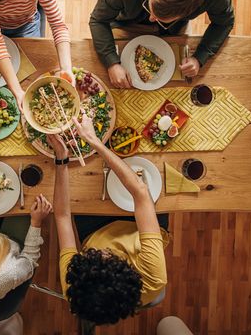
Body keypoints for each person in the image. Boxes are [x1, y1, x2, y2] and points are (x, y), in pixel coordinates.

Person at [47, 114, 169, 326]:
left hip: (95, 229)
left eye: (91, 255)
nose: (102, 250)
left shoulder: (75, 281)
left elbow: (62, 216)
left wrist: (61, 158)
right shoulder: (153, 277)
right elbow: (140, 193)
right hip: (140, 233)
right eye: (108, 256)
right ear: (129, 271)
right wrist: (96, 142)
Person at [89, 0, 235, 88]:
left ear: (188, 12)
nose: (152, 19)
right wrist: (112, 63)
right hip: (129, 21)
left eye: (159, 18)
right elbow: (98, 19)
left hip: (175, 28)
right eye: (152, 10)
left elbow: (224, 22)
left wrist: (199, 57)